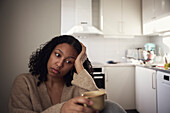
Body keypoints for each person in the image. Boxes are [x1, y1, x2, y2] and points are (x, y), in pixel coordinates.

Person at [9, 35, 126, 113]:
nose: (59, 64)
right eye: (58, 55)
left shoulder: (75, 85)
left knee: (111, 106)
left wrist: (79, 65)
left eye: (69, 61)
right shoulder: (25, 82)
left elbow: (101, 104)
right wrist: (61, 110)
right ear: (48, 53)